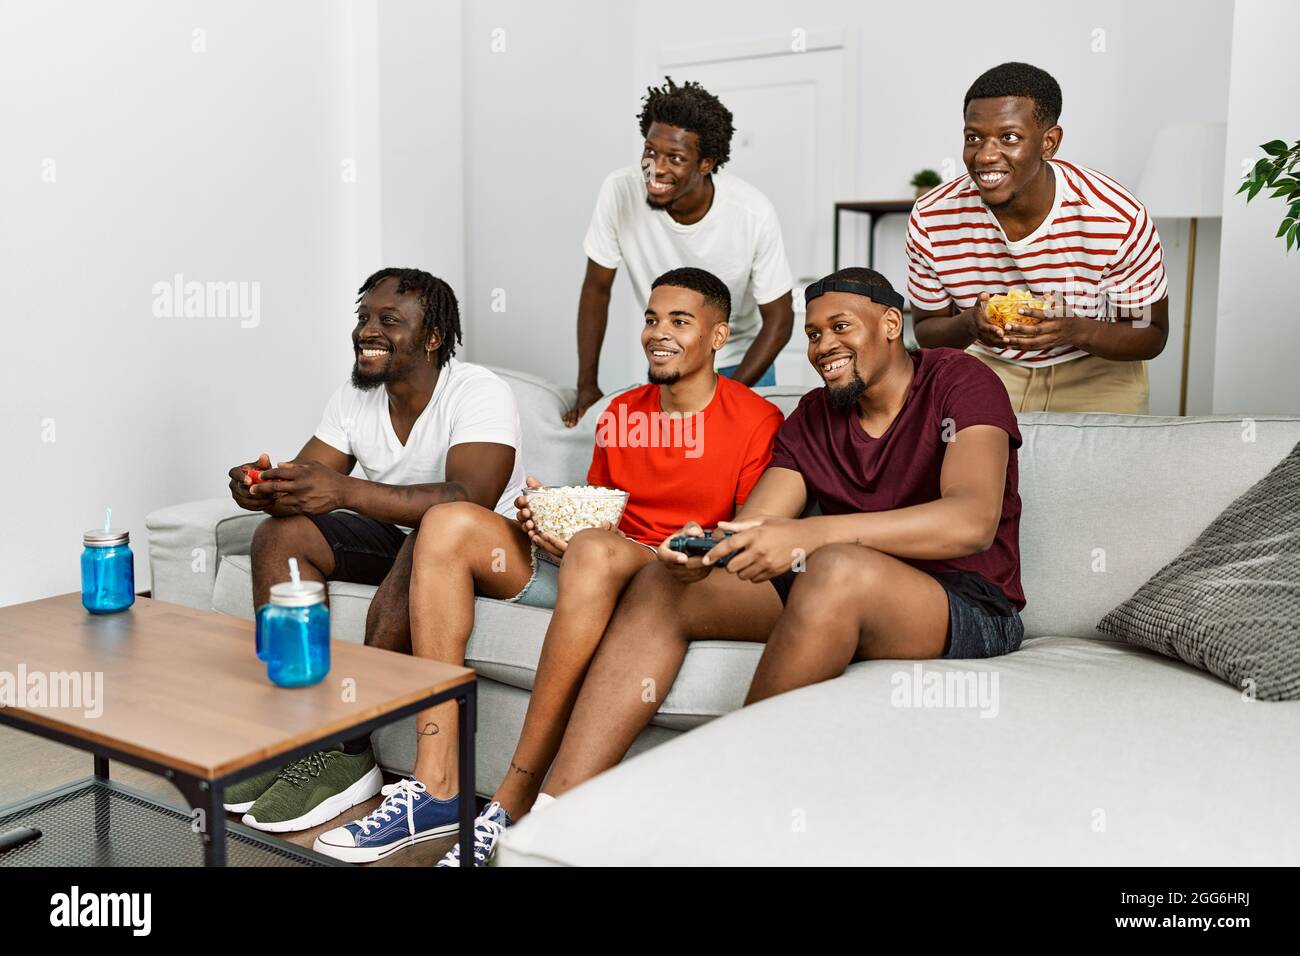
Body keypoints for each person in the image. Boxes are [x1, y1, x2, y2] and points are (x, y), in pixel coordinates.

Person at [310, 268, 784, 865]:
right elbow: (601, 513)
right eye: (651, 319)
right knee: (447, 522)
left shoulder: (757, 420)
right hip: (599, 560)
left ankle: (513, 800)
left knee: (591, 550)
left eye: (680, 321)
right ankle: (435, 787)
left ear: (718, 337)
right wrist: (551, 523)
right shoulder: (619, 413)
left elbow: (745, 538)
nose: (658, 333)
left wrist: (601, 543)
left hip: (678, 575)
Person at [539, 268, 1026, 806]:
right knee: (666, 583)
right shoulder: (815, 414)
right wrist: (702, 551)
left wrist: (810, 535)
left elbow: (971, 521)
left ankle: (735, 809)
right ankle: (555, 815)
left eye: (841, 327)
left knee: (834, 567)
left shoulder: (960, 379)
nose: (824, 347)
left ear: (891, 324)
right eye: (814, 335)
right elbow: (758, 524)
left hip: (965, 606)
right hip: (830, 590)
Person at [222, 267, 525, 833]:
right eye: (364, 318)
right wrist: (262, 487)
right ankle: (298, 731)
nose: (369, 330)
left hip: (477, 544)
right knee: (279, 537)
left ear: (433, 337)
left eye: (390, 320)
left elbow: (470, 497)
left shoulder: (479, 392)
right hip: (402, 532)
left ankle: (347, 749)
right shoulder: (353, 398)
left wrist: (345, 491)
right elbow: (307, 480)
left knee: (432, 532)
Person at [908, 61, 1169, 414]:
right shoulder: (931, 217)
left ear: (1049, 142)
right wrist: (969, 323)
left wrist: (1074, 330)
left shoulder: (1116, 217)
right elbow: (927, 330)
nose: (985, 155)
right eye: (974, 137)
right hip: (989, 367)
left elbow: (1149, 333)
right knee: (972, 466)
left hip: (1098, 370)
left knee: (1108, 469)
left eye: (1009, 137)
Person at [564, 76, 794, 425]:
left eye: (675, 157)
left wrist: (727, 396)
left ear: (705, 163)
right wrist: (586, 386)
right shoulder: (619, 192)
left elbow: (779, 319)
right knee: (665, 466)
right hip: (668, 354)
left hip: (740, 362)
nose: (655, 169)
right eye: (650, 151)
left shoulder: (752, 212)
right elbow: (596, 290)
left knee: (742, 473)